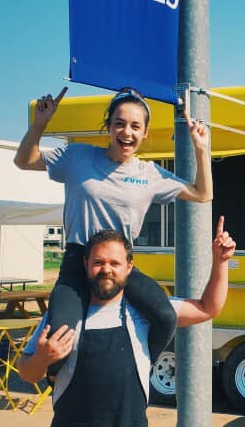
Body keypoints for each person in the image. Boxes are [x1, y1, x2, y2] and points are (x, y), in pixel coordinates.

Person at [18, 217, 235, 427]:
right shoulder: (64, 318)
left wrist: (220, 262)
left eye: (114, 263)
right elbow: (26, 372)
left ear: (129, 268)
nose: (105, 269)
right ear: (85, 265)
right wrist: (42, 359)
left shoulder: (143, 314)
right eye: (98, 262)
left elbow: (209, 307)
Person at [14, 86, 212, 368]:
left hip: (121, 265)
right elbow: (24, 161)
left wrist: (201, 150)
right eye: (119, 124)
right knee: (60, 336)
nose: (126, 132)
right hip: (77, 261)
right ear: (108, 127)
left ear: (144, 132)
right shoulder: (78, 157)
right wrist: (40, 124)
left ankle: (140, 367)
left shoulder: (150, 174)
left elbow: (203, 194)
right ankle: (61, 381)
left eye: (135, 126)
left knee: (166, 317)